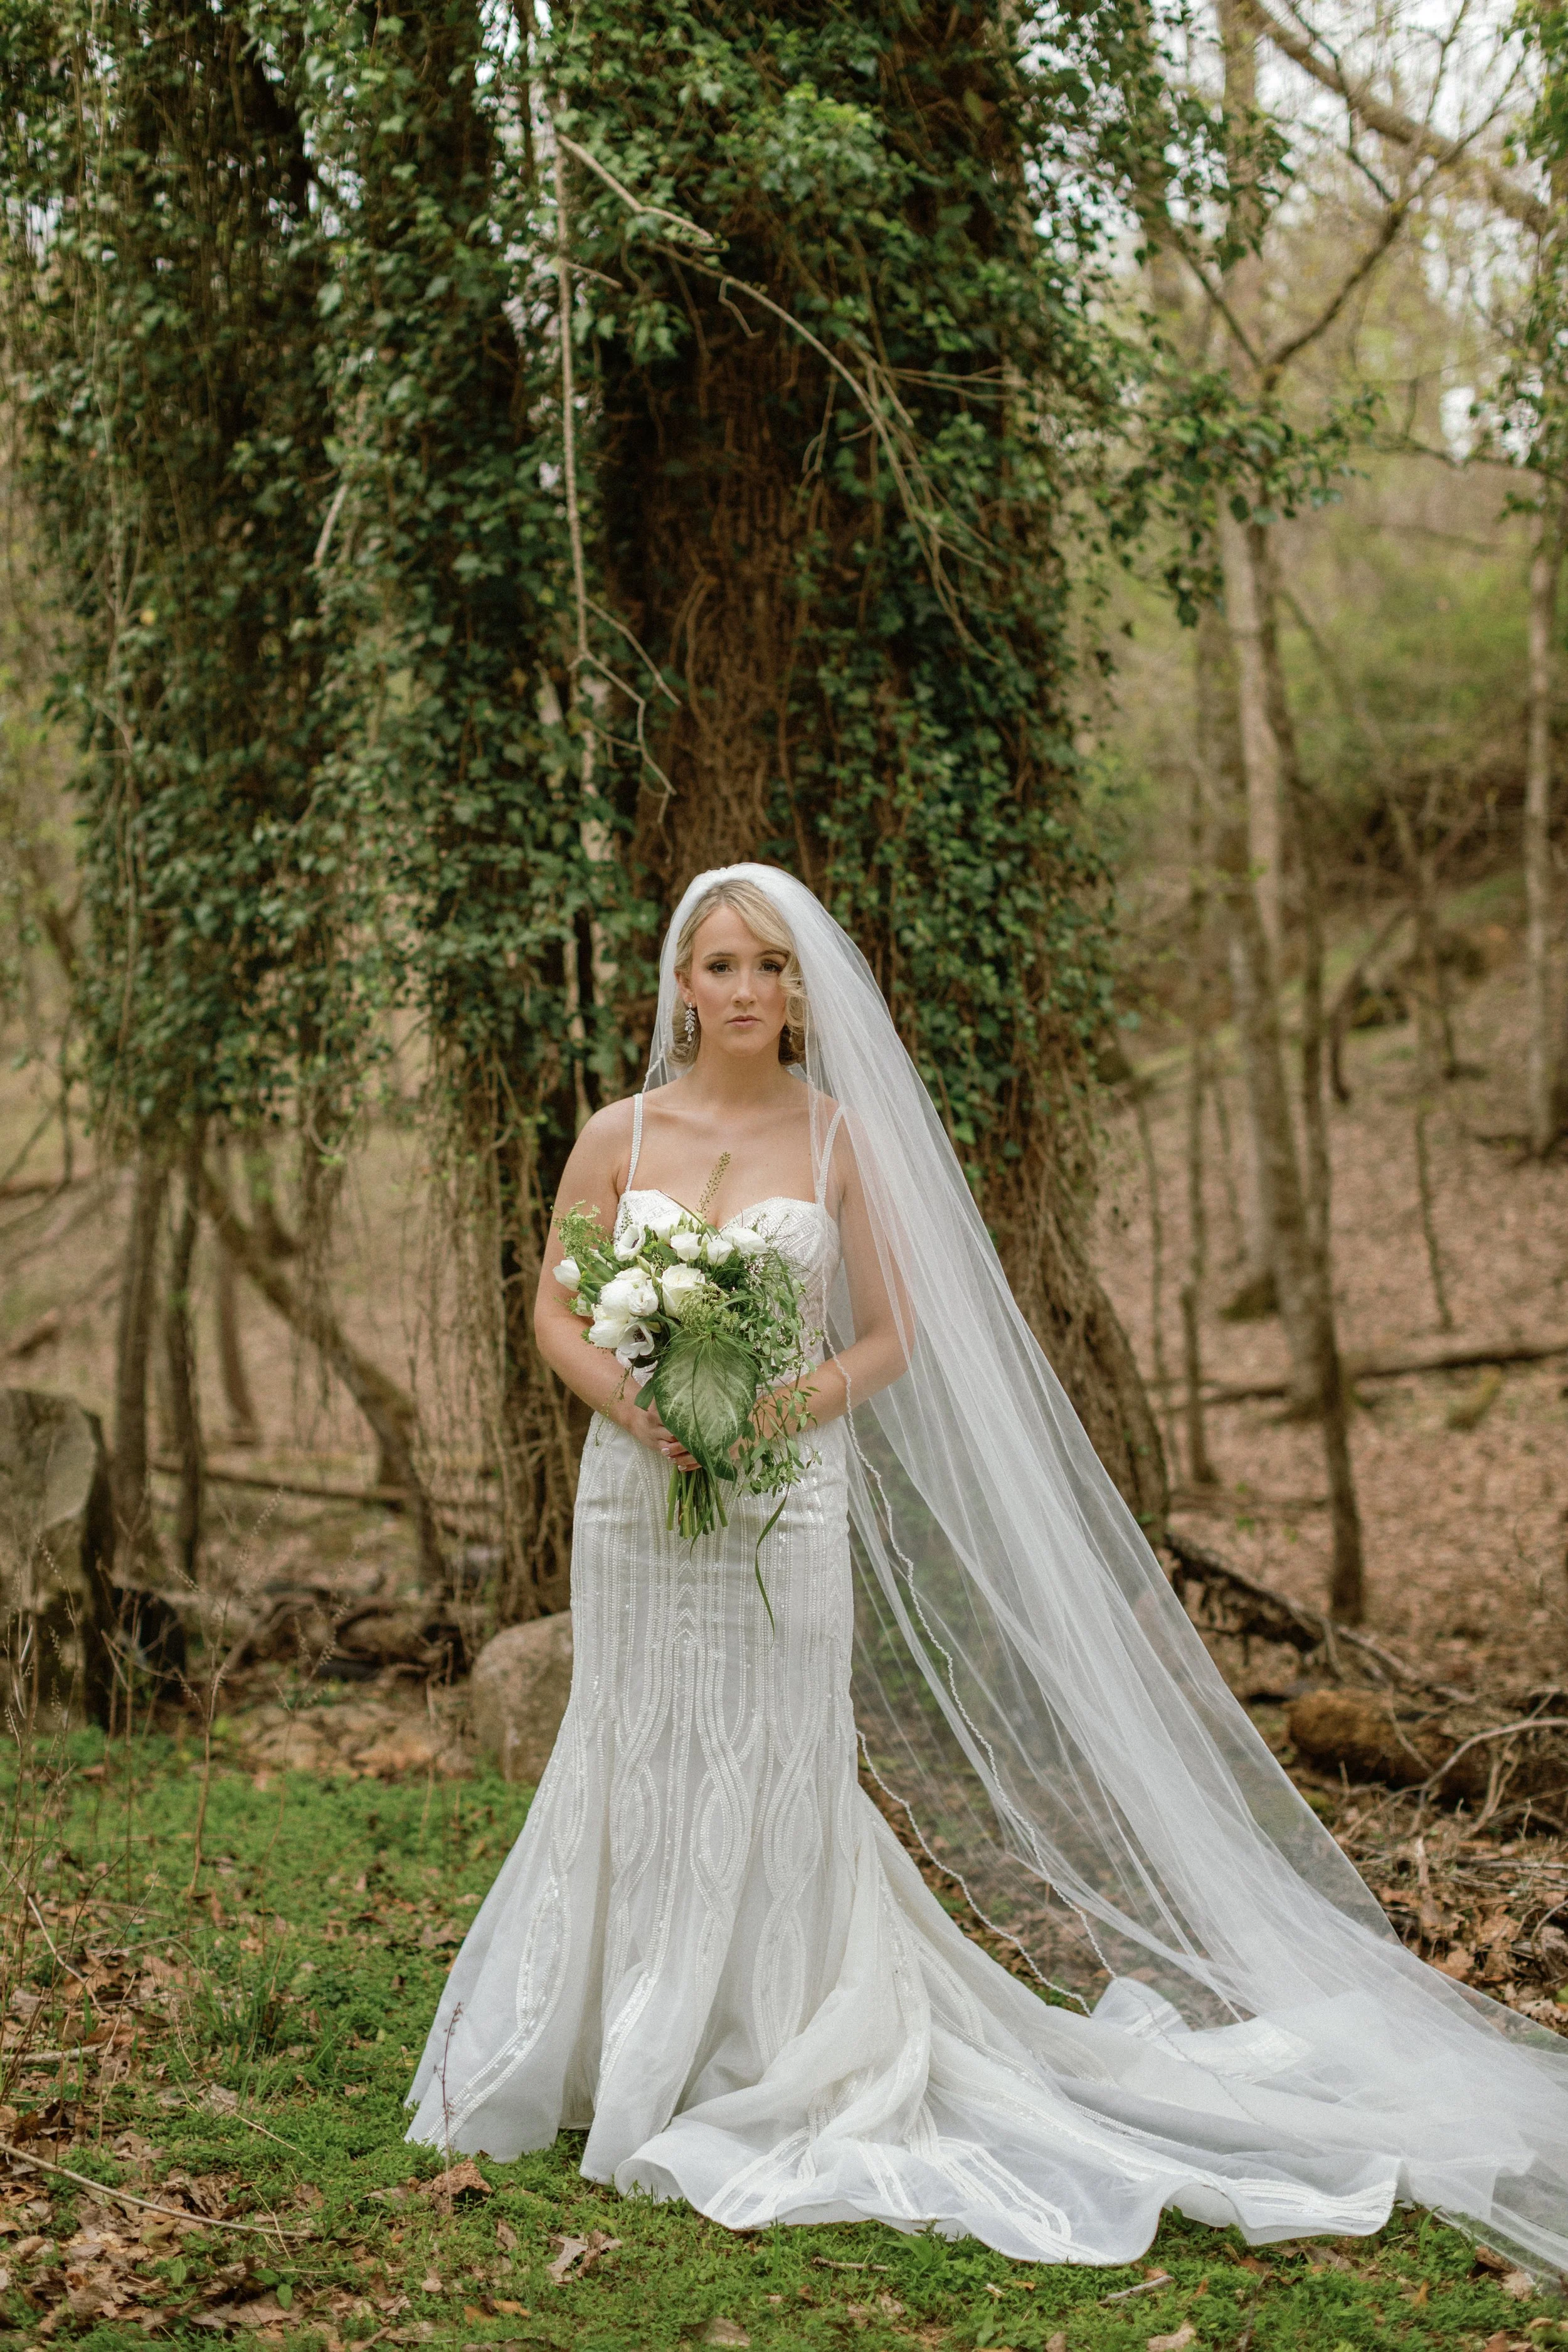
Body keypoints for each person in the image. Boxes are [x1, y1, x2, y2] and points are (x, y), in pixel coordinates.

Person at [409, 865, 1568, 2267]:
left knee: (777, 1744)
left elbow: (886, 1335)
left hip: (782, 1491)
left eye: (769, 969)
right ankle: (605, 2034)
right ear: (680, 984)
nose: (744, 992)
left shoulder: (837, 1144)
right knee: (630, 1735)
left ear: (798, 996)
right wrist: (633, 1404)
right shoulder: (620, 1132)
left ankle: (766, 2031)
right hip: (636, 1496)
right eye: (719, 966)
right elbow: (554, 1300)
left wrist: (780, 1407)